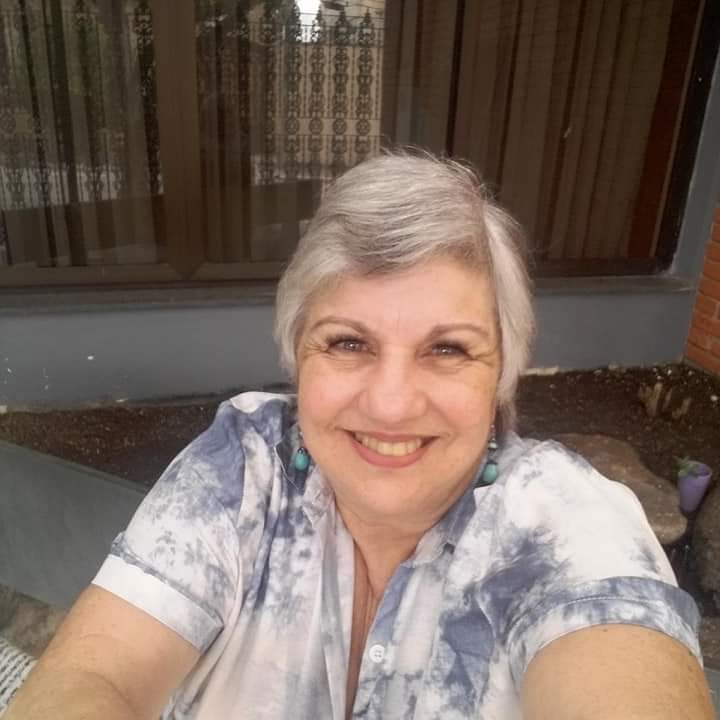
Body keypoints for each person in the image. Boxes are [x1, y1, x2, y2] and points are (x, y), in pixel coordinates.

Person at [5, 152, 713, 720]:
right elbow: (95, 676)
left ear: (503, 375)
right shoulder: (247, 464)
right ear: (297, 356)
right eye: (348, 342)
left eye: (448, 348)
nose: (391, 403)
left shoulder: (562, 525)